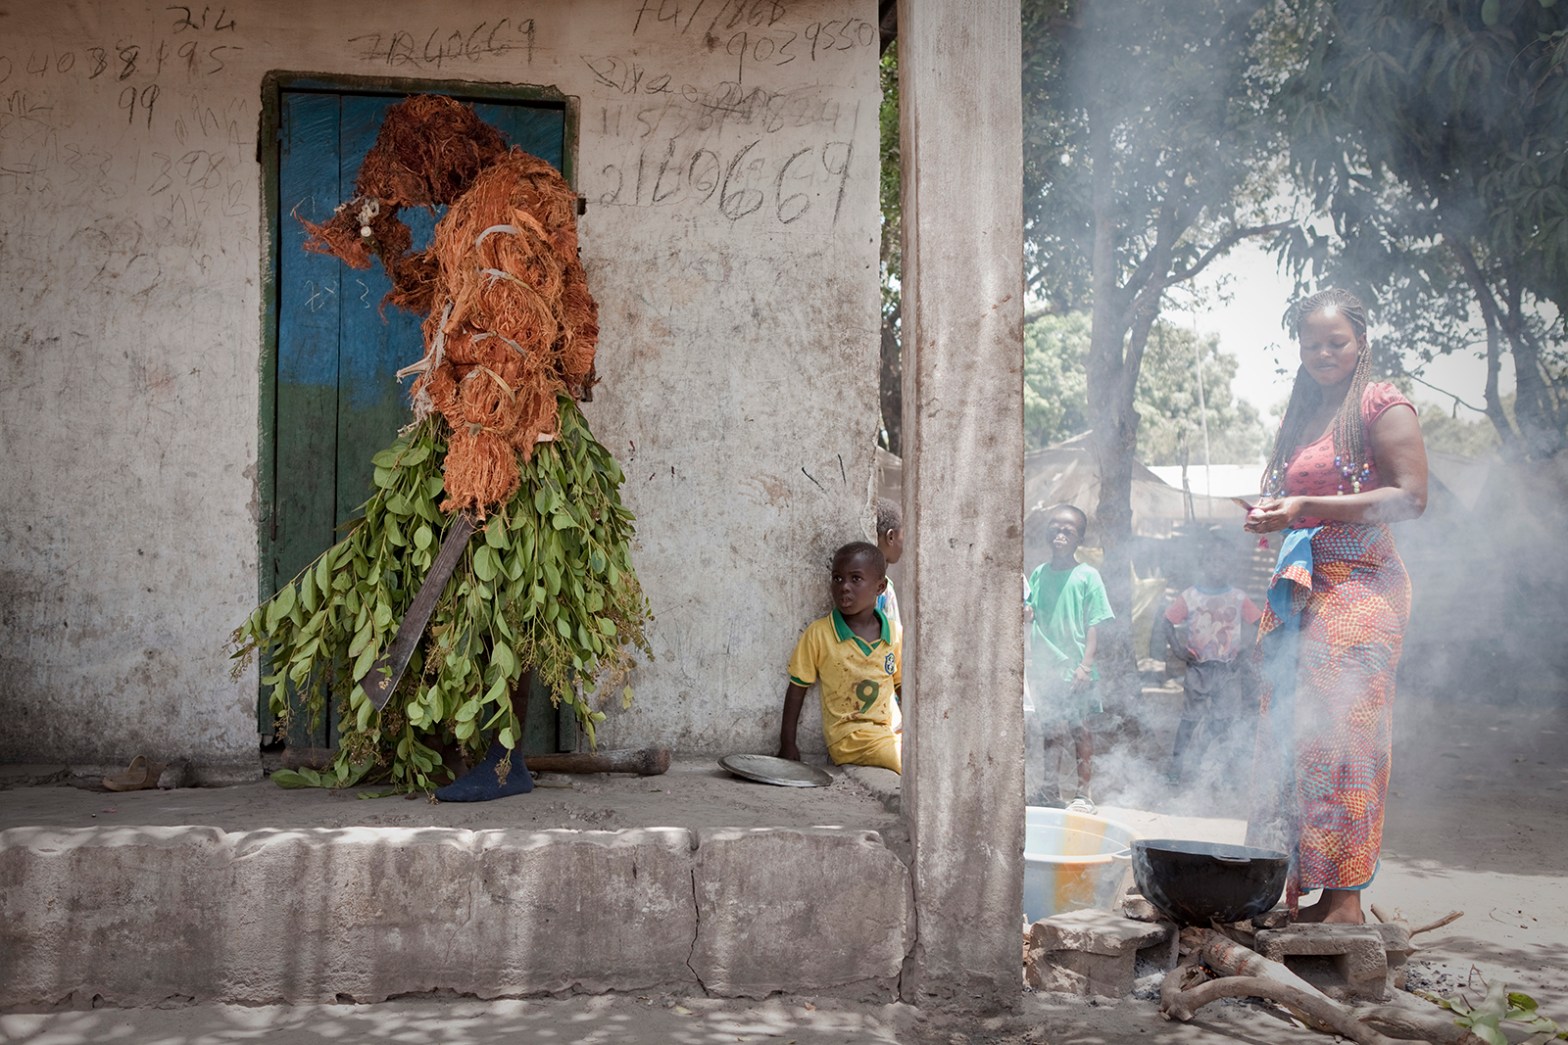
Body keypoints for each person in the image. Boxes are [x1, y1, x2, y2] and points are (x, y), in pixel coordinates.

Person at [1243, 288, 1427, 925]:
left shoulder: (1382, 403)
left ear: (1361, 342)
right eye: (1311, 343)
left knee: (1343, 732)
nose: (1322, 353)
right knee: (1290, 730)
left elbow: (1411, 497)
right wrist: (1275, 514)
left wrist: (1306, 509)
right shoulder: (1307, 409)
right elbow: (1300, 498)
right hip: (1304, 581)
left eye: (1336, 341)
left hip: (1363, 584)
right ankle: (1287, 885)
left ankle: (1343, 899)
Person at [777, 542, 903, 773]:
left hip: (887, 732)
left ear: (880, 587)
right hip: (848, 739)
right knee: (909, 762)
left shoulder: (894, 634)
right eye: (837, 578)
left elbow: (902, 686)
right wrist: (787, 744)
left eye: (855, 579)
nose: (844, 586)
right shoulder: (820, 633)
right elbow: (797, 689)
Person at [1025, 504, 1114, 814]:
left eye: (1068, 531)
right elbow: (1032, 611)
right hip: (1047, 669)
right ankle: (1050, 789)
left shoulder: (1087, 575)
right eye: (1055, 528)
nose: (1060, 534)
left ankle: (1083, 793)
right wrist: (1028, 612)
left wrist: (1085, 666)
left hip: (1076, 669)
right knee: (1051, 730)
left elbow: (1094, 623)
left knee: (1080, 730)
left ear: (1080, 539)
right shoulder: (1038, 573)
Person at [1160, 532, 1262, 785]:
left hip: (1228, 671)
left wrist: (1247, 651)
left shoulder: (1238, 597)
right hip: (1198, 669)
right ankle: (1175, 769)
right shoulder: (1191, 596)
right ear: (1203, 563)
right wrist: (1177, 649)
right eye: (1212, 560)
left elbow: (1261, 624)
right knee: (1189, 720)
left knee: (1224, 721)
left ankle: (1211, 764)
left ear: (1231, 565)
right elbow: (1167, 621)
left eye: (1224, 561)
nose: (1218, 565)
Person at [873, 497, 904, 643]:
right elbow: (894, 640)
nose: (903, 543)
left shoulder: (860, 582)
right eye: (902, 535)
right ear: (890, 537)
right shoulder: (885, 588)